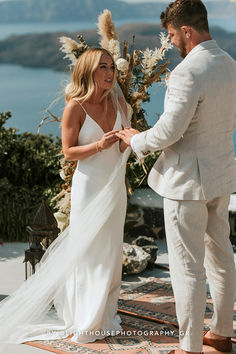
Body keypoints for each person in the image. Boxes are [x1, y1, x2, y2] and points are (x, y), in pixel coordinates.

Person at [117, 0, 236, 353]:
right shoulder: (230, 65)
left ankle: (188, 347)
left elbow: (169, 131)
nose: (171, 43)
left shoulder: (188, 72)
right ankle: (222, 334)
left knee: (187, 267)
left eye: (172, 35)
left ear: (186, 30)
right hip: (221, 175)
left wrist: (135, 139)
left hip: (186, 183)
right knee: (221, 256)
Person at [0, 47, 130, 350]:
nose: (110, 74)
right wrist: (100, 144)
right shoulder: (76, 107)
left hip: (115, 188)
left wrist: (124, 143)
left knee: (111, 254)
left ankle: (104, 315)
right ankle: (85, 318)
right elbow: (69, 152)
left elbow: (122, 148)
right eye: (103, 68)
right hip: (90, 188)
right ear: (88, 71)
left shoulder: (119, 101)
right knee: (88, 253)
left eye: (112, 67)